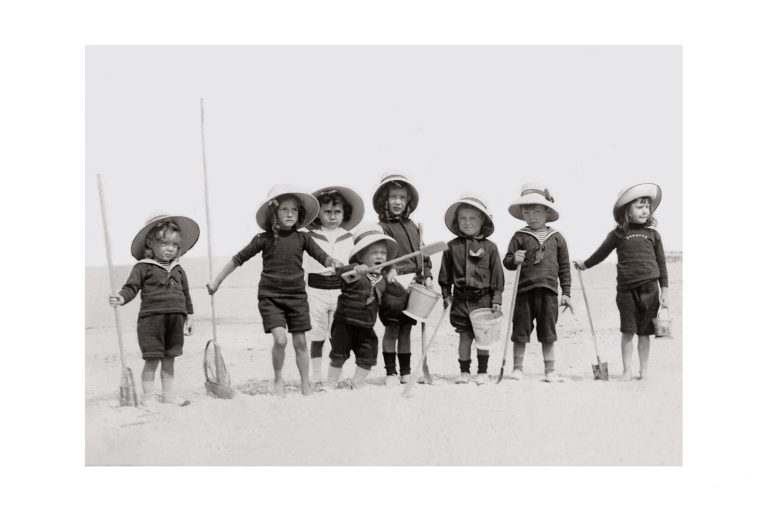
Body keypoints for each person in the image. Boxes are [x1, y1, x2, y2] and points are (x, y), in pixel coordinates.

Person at [207, 185, 343, 396]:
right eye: (284, 210)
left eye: (294, 210)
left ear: (299, 214)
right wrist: (216, 281)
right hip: (270, 297)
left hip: (297, 296)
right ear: (274, 213)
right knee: (280, 339)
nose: (290, 214)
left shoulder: (303, 238)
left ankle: (305, 384)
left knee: (300, 342)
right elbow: (237, 260)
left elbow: (322, 256)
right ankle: (278, 379)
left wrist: (332, 261)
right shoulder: (264, 239)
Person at [574, 183, 668, 381]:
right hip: (626, 291)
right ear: (627, 211)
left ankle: (643, 370)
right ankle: (627, 371)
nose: (645, 210)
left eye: (647, 206)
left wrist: (665, 290)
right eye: (639, 206)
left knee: (644, 334)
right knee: (628, 331)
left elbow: (661, 263)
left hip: (651, 289)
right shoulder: (618, 234)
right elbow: (601, 253)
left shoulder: (653, 235)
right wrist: (585, 265)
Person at [109, 213, 200, 406]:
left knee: (170, 359)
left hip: (176, 319)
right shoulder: (143, 267)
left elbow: (185, 294)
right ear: (150, 244)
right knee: (152, 359)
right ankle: (149, 397)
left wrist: (189, 316)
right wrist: (121, 297)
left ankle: (168, 396)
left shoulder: (178, 269)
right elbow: (131, 288)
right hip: (151, 320)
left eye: (175, 245)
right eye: (165, 244)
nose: (170, 249)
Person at [503, 184, 573, 382]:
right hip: (524, 291)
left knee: (548, 332)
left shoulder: (557, 238)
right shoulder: (519, 236)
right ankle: (517, 368)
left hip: (549, 292)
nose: (531, 216)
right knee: (520, 331)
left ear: (547, 212)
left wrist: (566, 293)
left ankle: (550, 370)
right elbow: (507, 261)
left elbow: (565, 268)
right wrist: (513, 258)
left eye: (536, 211)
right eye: (526, 212)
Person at [373, 173, 433, 386]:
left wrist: (427, 274)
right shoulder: (381, 227)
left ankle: (406, 372)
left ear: (408, 201)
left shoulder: (413, 226)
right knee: (392, 328)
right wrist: (390, 269)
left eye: (402, 198)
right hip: (392, 284)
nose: (398, 202)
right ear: (384, 200)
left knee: (407, 329)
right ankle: (390, 372)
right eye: (393, 197)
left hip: (414, 286)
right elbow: (379, 256)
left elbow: (423, 255)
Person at [439, 195, 504, 385]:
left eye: (473, 218)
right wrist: (446, 295)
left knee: (483, 337)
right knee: (464, 336)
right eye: (462, 219)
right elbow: (445, 275)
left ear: (483, 221)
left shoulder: (491, 248)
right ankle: (464, 371)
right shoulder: (451, 247)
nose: (467, 223)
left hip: (484, 299)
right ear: (456, 221)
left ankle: (482, 372)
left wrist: (496, 299)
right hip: (460, 299)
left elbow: (497, 275)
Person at [303, 186, 364, 390]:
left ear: (344, 213)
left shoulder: (349, 237)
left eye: (337, 212)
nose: (332, 217)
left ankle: (336, 372)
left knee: (338, 334)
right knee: (317, 334)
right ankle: (316, 375)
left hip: (340, 290)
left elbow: (353, 264)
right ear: (318, 214)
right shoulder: (310, 236)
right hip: (316, 290)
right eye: (327, 212)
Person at [327, 224, 398, 390]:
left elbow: (394, 298)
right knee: (338, 355)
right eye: (374, 253)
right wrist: (356, 269)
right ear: (361, 256)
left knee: (369, 355)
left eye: (383, 253)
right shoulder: (354, 272)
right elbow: (340, 274)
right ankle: (330, 384)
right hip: (344, 323)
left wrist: (393, 272)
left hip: (366, 325)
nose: (379, 256)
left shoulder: (382, 279)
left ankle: (357, 382)